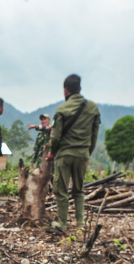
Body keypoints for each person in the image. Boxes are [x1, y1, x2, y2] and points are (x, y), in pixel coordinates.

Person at [48, 74, 101, 231]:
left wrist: (52, 152)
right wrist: (87, 153)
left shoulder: (62, 109)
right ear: (80, 89)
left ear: (65, 90)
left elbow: (55, 136)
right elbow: (94, 134)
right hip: (82, 154)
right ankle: (80, 223)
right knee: (79, 190)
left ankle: (62, 224)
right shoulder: (93, 108)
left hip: (65, 155)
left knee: (61, 190)